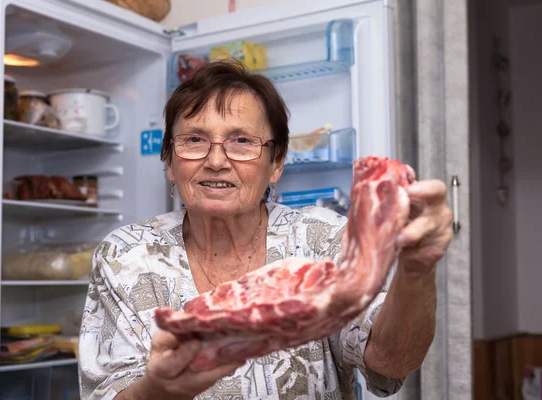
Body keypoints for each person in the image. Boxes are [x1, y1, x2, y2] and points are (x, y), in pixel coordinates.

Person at [78, 61, 453, 400]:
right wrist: (158, 391)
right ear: (170, 163)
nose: (216, 160)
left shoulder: (321, 238)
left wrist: (417, 270)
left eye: (242, 141)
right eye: (194, 140)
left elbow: (391, 359)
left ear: (276, 164)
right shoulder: (126, 256)